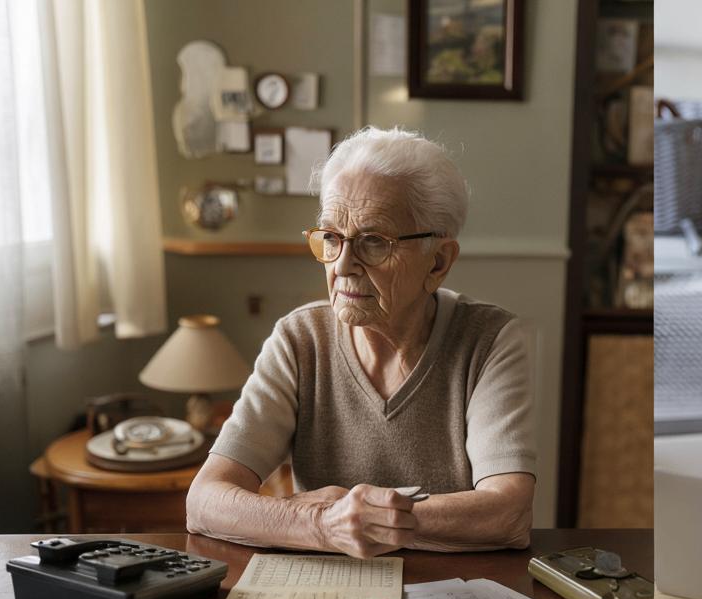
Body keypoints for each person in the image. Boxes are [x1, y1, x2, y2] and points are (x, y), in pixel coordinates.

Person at [187, 126, 536, 558]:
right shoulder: (299, 340)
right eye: (331, 238)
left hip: (453, 587)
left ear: (438, 262)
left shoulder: (489, 340)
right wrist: (321, 525)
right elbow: (204, 501)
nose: (342, 265)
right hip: (327, 586)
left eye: (373, 242)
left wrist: (362, 518)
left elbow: (508, 512)